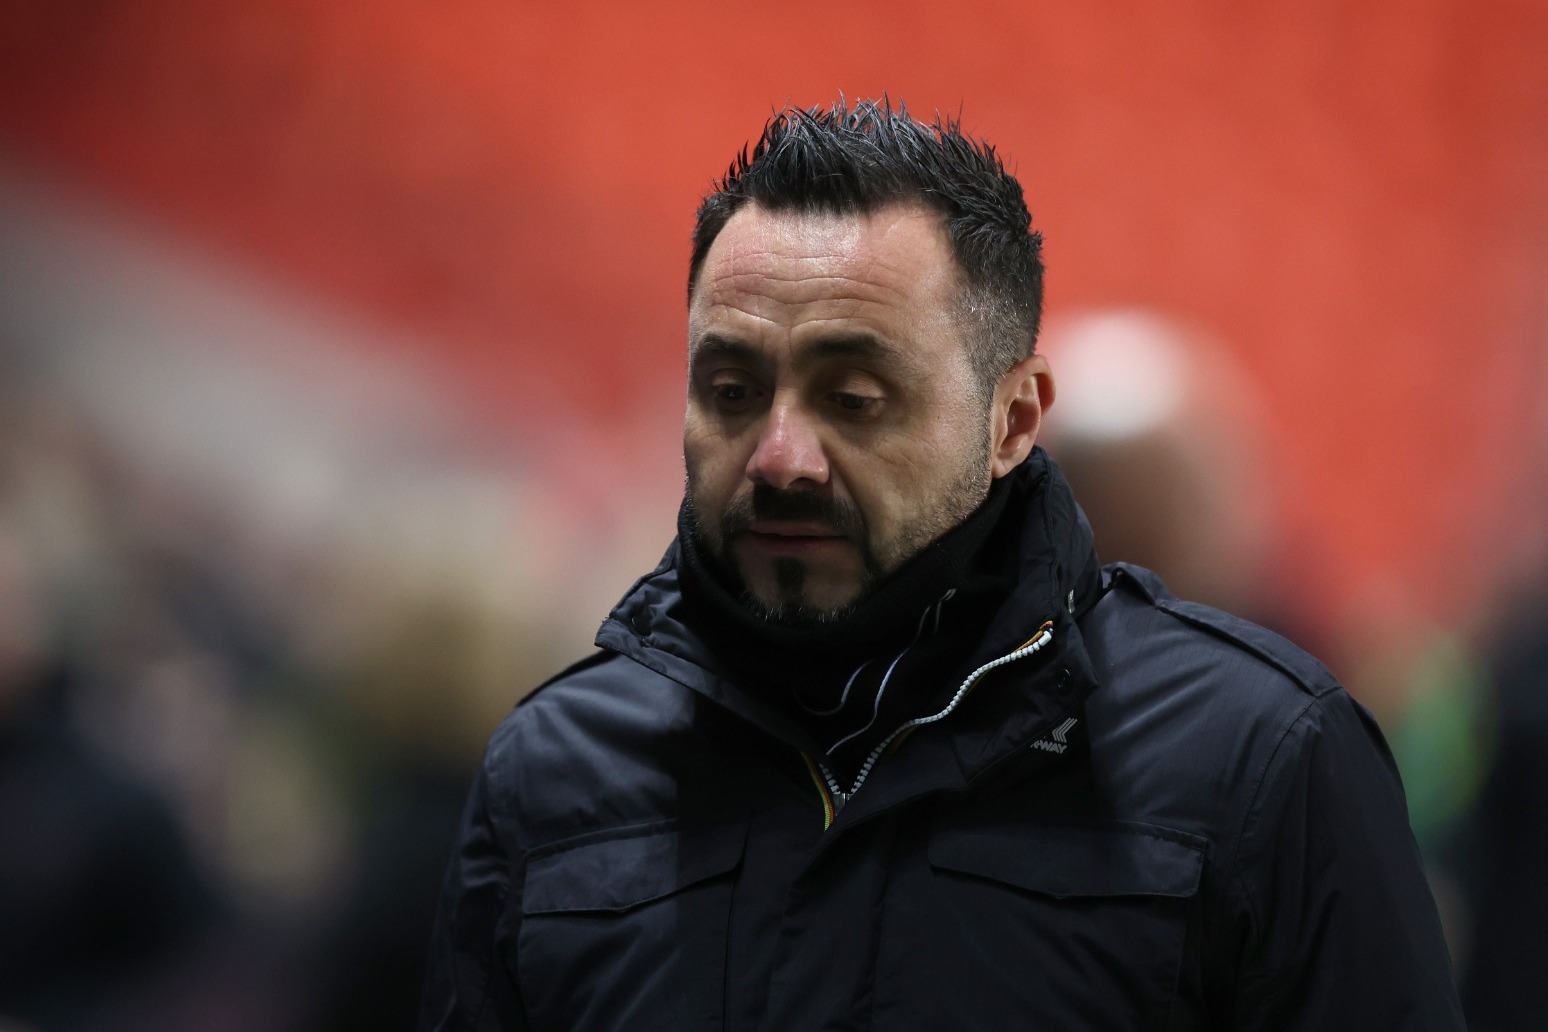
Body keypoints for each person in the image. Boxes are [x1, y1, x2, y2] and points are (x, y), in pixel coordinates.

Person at [420, 98, 1462, 1030]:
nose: (780, 457)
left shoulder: (1264, 761)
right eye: (732, 392)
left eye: (853, 399)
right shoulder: (548, 775)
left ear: (1014, 420)